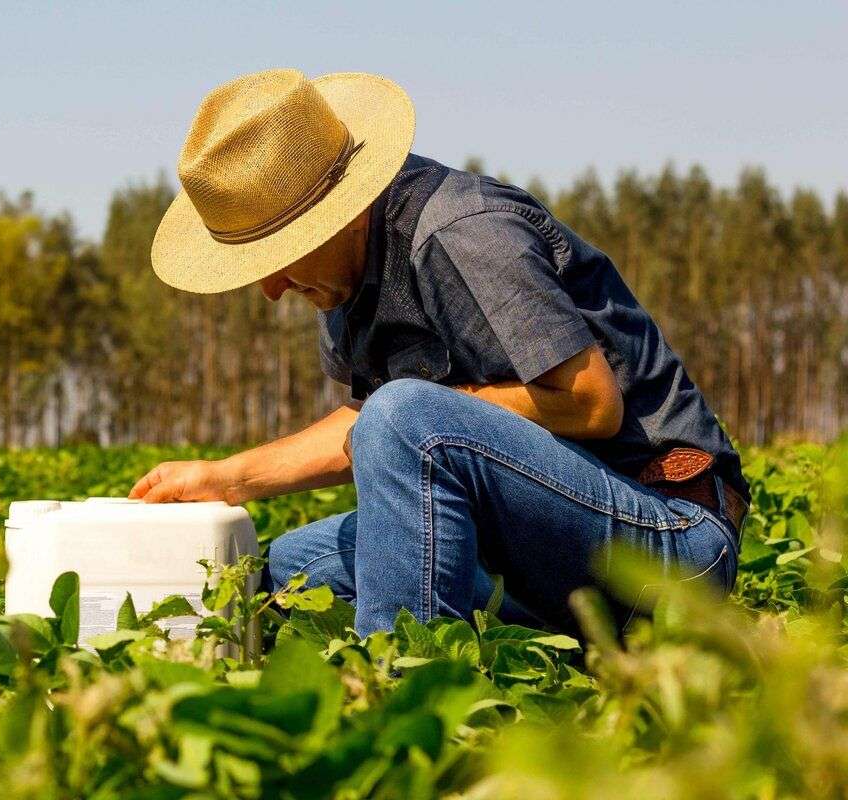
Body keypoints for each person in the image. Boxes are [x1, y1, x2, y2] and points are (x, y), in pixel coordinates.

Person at [129, 68, 748, 635]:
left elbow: (591, 405)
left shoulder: (463, 231)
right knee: (287, 572)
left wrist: (429, 413)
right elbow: (368, 425)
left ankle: (405, 701)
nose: (269, 290)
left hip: (666, 541)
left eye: (277, 257)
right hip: (539, 545)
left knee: (403, 416)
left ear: (334, 217)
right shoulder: (343, 280)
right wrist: (223, 478)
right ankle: (549, 642)